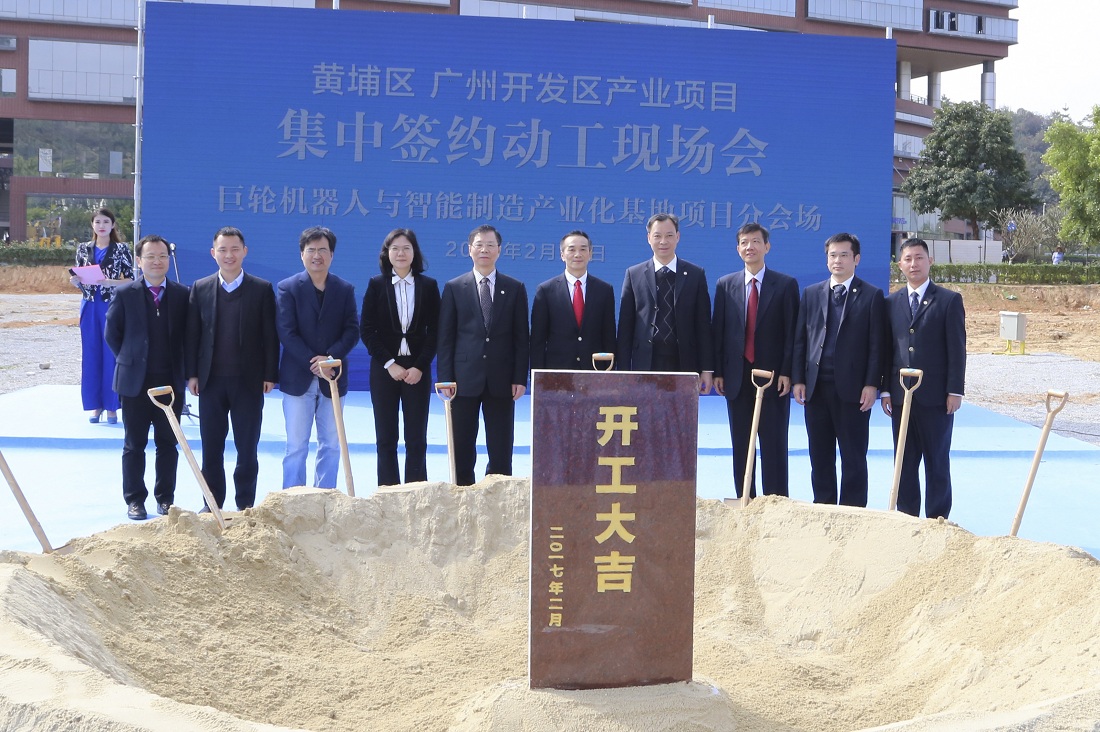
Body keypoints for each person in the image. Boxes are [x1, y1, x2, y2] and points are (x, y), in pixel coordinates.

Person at [185, 226, 279, 511]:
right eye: (223, 249)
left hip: (248, 382)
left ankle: (245, 504)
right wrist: (192, 373)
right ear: (213, 253)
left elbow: (270, 335)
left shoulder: (261, 289)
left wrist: (270, 374)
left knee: (247, 449)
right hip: (210, 382)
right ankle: (211, 504)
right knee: (211, 448)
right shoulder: (200, 288)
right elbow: (192, 335)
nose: (229, 255)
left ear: (245, 252)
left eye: (235, 249)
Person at [791, 232, 886, 507]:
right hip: (816, 388)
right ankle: (823, 506)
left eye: (844, 255)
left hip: (854, 391)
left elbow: (877, 345)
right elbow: (801, 339)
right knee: (819, 455)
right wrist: (798, 379)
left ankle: (853, 511)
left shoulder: (871, 295)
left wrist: (872, 384)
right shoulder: (811, 293)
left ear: (856, 259)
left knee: (853, 456)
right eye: (833, 255)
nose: (838, 260)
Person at [437, 224, 530, 486]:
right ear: (470, 250)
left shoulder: (515, 287)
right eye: (479, 245)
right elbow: (446, 337)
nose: (484, 250)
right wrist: (445, 377)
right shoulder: (455, 287)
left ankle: (498, 493)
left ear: (499, 250)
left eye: (490, 245)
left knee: (501, 446)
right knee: (462, 445)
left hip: (502, 379)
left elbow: (521, 337)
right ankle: (462, 493)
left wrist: (519, 377)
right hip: (463, 379)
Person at [104, 234, 189, 521]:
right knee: (134, 444)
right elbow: (112, 334)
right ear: (139, 261)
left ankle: (165, 499)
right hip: (134, 384)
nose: (157, 261)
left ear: (169, 260)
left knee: (168, 444)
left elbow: (189, 337)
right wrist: (130, 359)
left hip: (170, 384)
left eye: (162, 256)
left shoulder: (182, 294)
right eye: (150, 256)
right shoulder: (125, 294)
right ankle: (135, 500)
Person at [712, 222, 799, 498]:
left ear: (767, 246)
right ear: (738, 249)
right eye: (744, 243)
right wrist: (718, 372)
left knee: (774, 444)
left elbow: (792, 334)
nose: (750, 247)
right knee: (741, 444)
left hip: (772, 379)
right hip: (736, 377)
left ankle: (775, 503)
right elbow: (719, 331)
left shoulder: (785, 285)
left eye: (756, 242)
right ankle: (745, 499)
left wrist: (787, 371)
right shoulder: (725, 285)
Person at [881, 237, 966, 520]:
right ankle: (907, 516)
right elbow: (886, 349)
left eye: (919, 258)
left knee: (937, 460)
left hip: (936, 397)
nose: (914, 264)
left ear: (930, 261)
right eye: (908, 259)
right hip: (901, 395)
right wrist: (885, 390)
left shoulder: (948, 300)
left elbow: (957, 349)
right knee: (904, 461)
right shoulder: (890, 302)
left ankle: (938, 517)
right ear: (899, 265)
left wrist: (955, 390)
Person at [275, 226, 359, 490]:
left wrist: (330, 359)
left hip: (333, 377)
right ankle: (293, 499)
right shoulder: (288, 288)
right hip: (298, 378)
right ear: (302, 254)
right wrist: (314, 362)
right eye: (311, 250)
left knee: (332, 444)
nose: (317, 255)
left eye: (323, 250)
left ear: (332, 255)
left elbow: (352, 330)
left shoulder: (344, 289)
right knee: (296, 445)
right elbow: (286, 332)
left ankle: (326, 496)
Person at [360, 229, 440, 486]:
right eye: (395, 248)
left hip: (417, 370)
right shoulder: (376, 284)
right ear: (387, 253)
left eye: (406, 248)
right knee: (386, 437)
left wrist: (419, 366)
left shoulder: (428, 286)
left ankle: (416, 492)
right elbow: (367, 330)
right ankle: (388, 492)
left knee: (416, 438)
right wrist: (389, 363)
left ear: (415, 252)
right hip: (385, 369)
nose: (401, 253)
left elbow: (436, 331)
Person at [615, 213, 713, 393]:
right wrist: (622, 371)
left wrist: (707, 369)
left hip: (684, 361)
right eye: (657, 236)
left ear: (678, 237)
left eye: (669, 235)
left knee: (681, 410)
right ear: (648, 238)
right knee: (645, 409)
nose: (663, 241)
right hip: (645, 361)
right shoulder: (634, 274)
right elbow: (625, 328)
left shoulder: (695, 274)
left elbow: (703, 325)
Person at [71, 207, 133, 424]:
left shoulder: (121, 249)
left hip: (111, 306)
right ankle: (95, 405)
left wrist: (110, 282)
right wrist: (75, 281)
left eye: (106, 222)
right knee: (91, 355)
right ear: (92, 225)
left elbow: (131, 279)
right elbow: (79, 275)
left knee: (111, 355)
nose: (102, 226)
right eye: (98, 222)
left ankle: (112, 406)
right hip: (89, 305)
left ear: (113, 225)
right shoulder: (83, 248)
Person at [530, 230, 616, 370]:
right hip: (557, 371)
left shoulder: (604, 290)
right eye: (571, 249)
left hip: (594, 369)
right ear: (562, 255)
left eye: (583, 249)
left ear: (590, 254)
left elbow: (609, 336)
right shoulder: (546, 290)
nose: (577, 254)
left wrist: (609, 372)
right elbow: (537, 340)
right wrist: (538, 375)